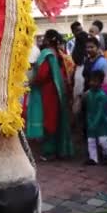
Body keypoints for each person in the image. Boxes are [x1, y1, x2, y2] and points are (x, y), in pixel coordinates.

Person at [26, 30, 74, 161]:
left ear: (48, 40)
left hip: (47, 91)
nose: (42, 40)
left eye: (44, 38)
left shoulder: (46, 54)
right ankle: (61, 149)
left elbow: (42, 75)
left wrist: (31, 81)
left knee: (49, 121)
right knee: (58, 119)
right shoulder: (59, 54)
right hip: (58, 90)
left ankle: (49, 151)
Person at [84, 70, 107, 165]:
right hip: (91, 120)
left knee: (103, 140)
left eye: (95, 81)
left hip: (102, 122)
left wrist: (94, 123)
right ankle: (93, 158)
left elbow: (101, 112)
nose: (92, 83)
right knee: (91, 141)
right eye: (91, 80)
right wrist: (89, 121)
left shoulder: (102, 95)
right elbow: (88, 110)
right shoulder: (89, 94)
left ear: (101, 83)